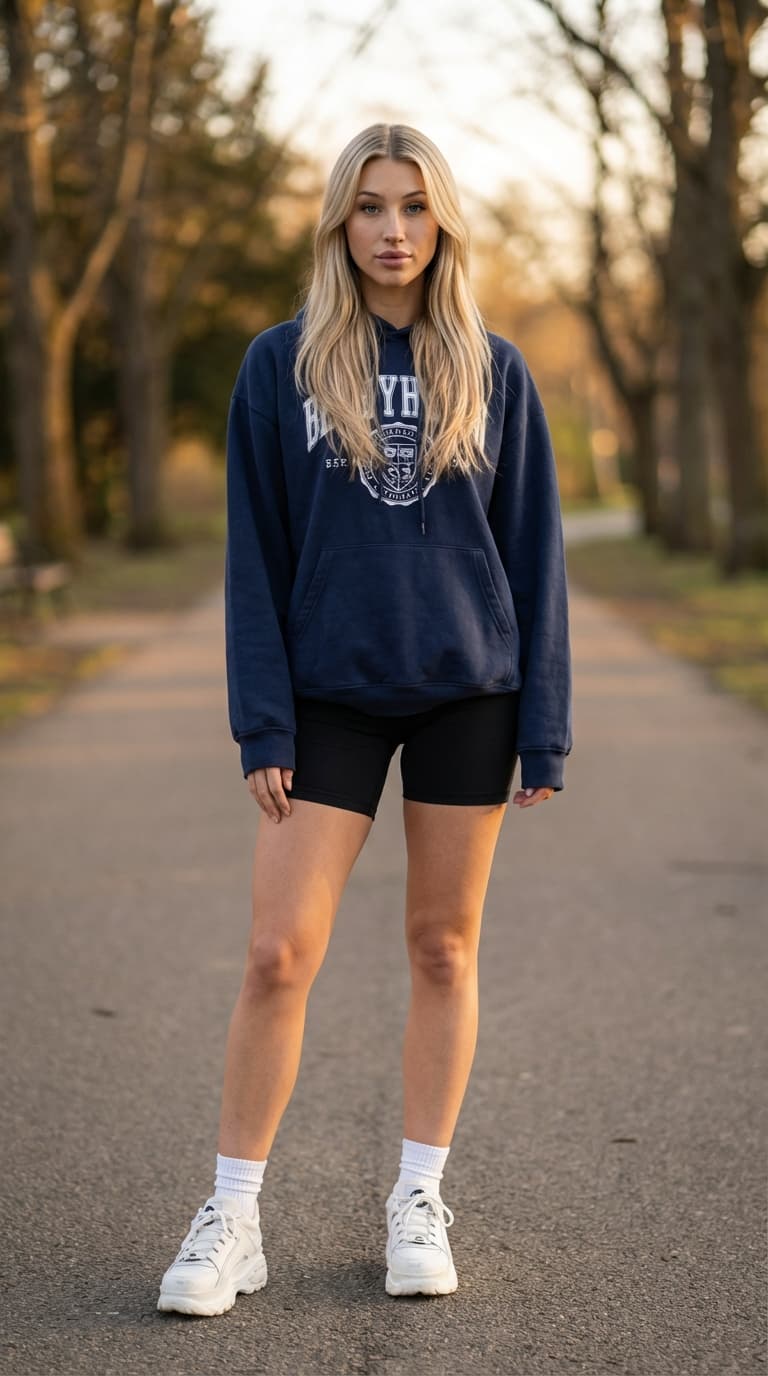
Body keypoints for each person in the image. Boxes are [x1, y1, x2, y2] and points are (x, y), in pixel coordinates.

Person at [157, 121, 572, 1317]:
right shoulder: (278, 365)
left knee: (443, 946)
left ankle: (419, 1197)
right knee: (278, 950)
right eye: (370, 207)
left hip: (470, 693)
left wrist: (543, 723)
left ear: (442, 224)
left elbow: (537, 558)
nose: (392, 229)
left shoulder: (496, 370)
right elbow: (255, 556)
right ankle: (233, 1216)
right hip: (327, 693)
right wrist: (262, 721)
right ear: (340, 222)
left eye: (413, 207)